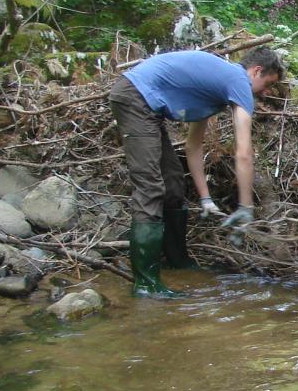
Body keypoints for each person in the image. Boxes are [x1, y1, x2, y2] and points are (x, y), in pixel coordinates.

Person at [109, 47, 284, 296]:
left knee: (172, 182)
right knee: (150, 188)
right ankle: (146, 285)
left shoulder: (213, 91)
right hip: (136, 97)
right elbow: (244, 153)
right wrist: (246, 207)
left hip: (145, 103)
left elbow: (193, 146)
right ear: (256, 71)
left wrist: (205, 199)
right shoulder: (238, 81)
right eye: (267, 84)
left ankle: (177, 261)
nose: (265, 93)